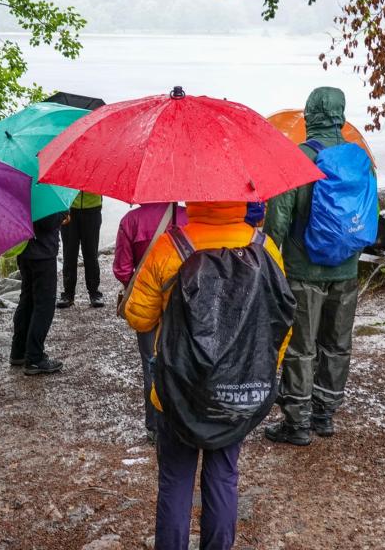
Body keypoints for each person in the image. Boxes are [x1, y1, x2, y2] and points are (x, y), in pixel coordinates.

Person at [124, 201, 287, 550]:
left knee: (175, 480)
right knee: (224, 477)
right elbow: (281, 322)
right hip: (235, 393)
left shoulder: (172, 246)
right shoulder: (265, 247)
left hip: (176, 393)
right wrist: (262, 372)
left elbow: (139, 318)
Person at [263, 86, 362, 445]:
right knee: (337, 344)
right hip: (347, 269)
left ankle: (297, 422)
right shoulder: (358, 158)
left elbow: (277, 221)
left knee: (300, 347)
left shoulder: (297, 159)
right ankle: (325, 414)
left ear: (309, 116)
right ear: (342, 115)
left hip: (303, 270)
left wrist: (270, 261)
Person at [113, 203, 188, 443]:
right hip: (186, 302)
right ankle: (184, 420)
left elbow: (123, 270)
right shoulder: (189, 218)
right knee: (185, 357)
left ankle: (156, 426)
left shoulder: (130, 221)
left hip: (146, 302)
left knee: (150, 361)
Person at [11, 211, 69, 375]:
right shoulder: (43, 187)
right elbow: (48, 221)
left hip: (25, 250)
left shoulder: (22, 186)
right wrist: (62, 215)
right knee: (44, 305)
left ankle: (18, 351)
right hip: (42, 253)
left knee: (27, 300)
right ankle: (35, 358)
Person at [57, 191, 105, 308]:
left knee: (91, 253)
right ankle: (68, 294)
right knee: (69, 254)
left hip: (92, 208)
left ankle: (94, 292)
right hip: (69, 208)